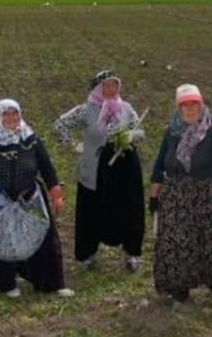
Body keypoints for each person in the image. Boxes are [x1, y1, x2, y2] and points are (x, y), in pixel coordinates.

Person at [0, 99, 73, 298]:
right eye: (6, 114)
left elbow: (47, 167)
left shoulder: (31, 140)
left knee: (44, 238)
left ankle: (50, 283)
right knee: (1, 240)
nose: (11, 118)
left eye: (14, 113)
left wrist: (56, 194)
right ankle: (6, 284)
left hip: (30, 197)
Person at [149, 84, 212, 307]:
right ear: (178, 108)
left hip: (209, 197)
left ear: (201, 105)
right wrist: (154, 196)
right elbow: (160, 165)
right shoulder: (172, 132)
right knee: (177, 243)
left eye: (194, 105)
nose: (190, 110)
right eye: (185, 105)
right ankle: (178, 289)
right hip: (177, 198)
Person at [53, 70, 146, 272]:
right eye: (106, 85)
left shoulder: (126, 108)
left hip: (124, 164)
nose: (111, 89)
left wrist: (131, 136)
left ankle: (131, 253)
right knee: (91, 208)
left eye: (114, 85)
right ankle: (88, 254)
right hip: (94, 165)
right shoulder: (86, 110)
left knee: (129, 207)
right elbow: (60, 125)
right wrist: (75, 145)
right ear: (98, 88)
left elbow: (141, 131)